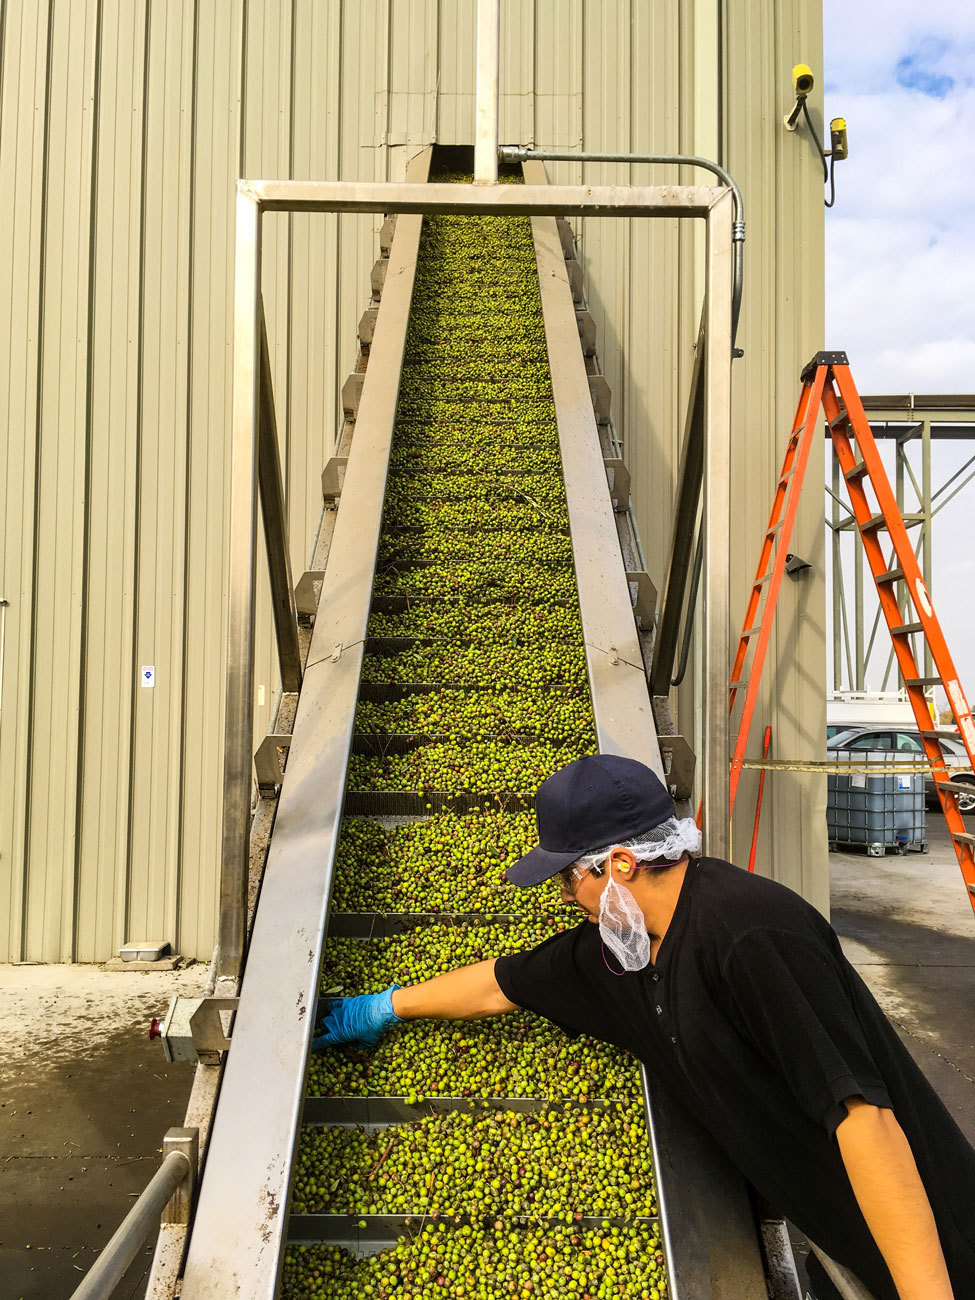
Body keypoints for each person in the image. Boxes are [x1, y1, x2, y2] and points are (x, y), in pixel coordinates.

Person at [316, 753, 975, 1300]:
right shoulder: (624, 951)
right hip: (845, 1240)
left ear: (618, 865)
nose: (565, 894)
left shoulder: (748, 933)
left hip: (940, 1252)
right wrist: (381, 1007)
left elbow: (864, 1119)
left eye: (568, 876)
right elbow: (500, 983)